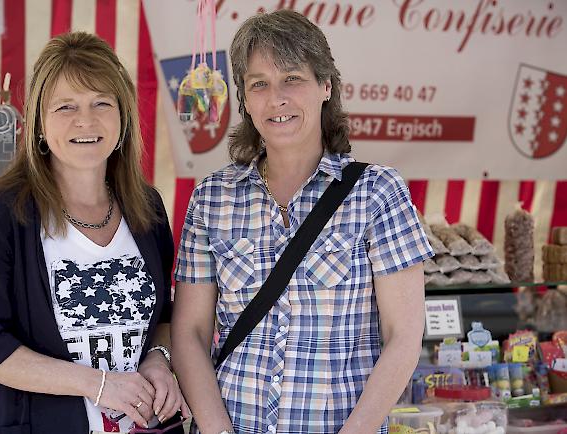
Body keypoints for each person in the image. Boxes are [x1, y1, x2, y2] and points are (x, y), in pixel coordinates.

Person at [172, 9, 434, 434]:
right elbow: (190, 332)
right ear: (245, 98)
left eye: (292, 78)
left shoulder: (378, 192)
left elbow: (404, 335)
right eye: (259, 84)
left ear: (325, 85)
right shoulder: (211, 197)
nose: (277, 98)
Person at [0, 32, 188, 434]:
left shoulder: (146, 208)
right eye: (66, 106)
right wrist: (96, 385)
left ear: (122, 117)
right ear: (40, 124)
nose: (86, 120)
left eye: (102, 103)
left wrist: (159, 359)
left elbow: (166, 315)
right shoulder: (0, 216)